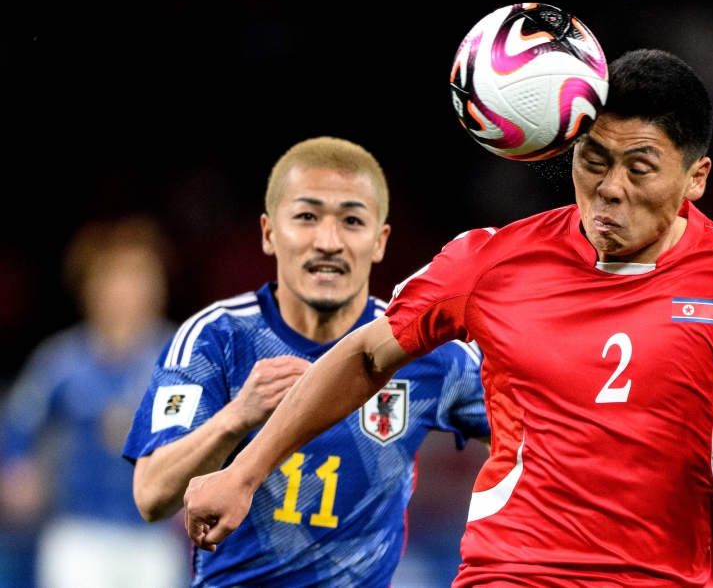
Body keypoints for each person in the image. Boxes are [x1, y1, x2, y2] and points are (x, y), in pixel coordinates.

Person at [183, 52, 713, 587]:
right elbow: (364, 355)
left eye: (640, 167)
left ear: (696, 177)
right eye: (593, 160)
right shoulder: (493, 260)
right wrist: (245, 472)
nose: (610, 187)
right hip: (511, 571)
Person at [124, 137, 489, 587]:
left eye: (352, 221)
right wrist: (236, 417)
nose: (329, 241)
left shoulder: (423, 350)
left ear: (380, 241)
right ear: (269, 233)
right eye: (307, 217)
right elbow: (150, 497)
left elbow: (533, 439)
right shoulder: (216, 338)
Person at [0, 218, 187, 588]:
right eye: (113, 278)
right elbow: (18, 423)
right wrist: (17, 469)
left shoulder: (179, 363)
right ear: (88, 287)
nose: (125, 292)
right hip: (78, 534)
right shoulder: (62, 361)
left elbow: (209, 434)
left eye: (138, 278)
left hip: (153, 538)